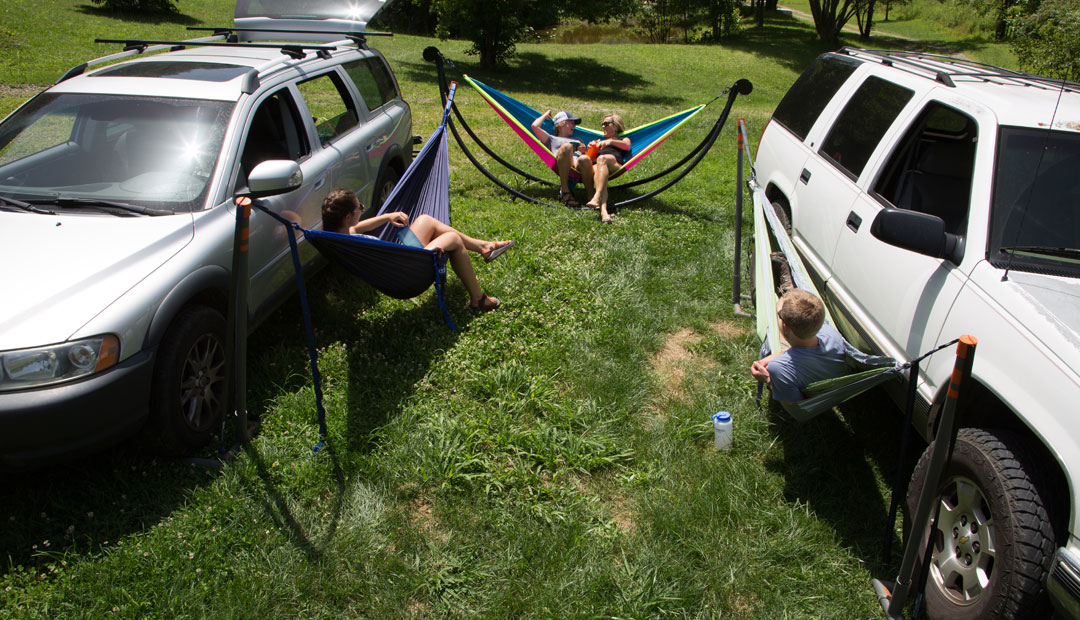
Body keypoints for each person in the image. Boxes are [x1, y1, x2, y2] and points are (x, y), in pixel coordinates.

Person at [321, 188, 514, 312]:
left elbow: (357, 228)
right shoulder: (358, 245)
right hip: (408, 273)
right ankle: (478, 299)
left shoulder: (342, 237)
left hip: (401, 261)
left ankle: (483, 247)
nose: (361, 210)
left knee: (425, 220)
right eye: (359, 208)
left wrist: (388, 217)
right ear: (348, 216)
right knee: (453, 239)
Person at [750, 289, 849, 410]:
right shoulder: (832, 334)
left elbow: (797, 407)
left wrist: (769, 379)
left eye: (779, 316)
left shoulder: (780, 368)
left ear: (786, 327)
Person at [531, 110, 592, 208]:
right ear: (561, 124)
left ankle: (591, 197)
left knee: (584, 158)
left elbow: (585, 158)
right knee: (567, 147)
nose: (574, 126)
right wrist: (545, 114)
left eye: (574, 123)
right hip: (562, 164)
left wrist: (583, 151)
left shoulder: (578, 140)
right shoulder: (551, 139)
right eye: (571, 122)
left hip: (577, 166)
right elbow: (535, 126)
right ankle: (565, 191)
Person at [585, 114, 631, 224]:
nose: (603, 126)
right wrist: (591, 148)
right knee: (600, 174)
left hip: (614, 163)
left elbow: (627, 146)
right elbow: (589, 157)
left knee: (602, 159)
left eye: (606, 124)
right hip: (599, 165)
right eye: (602, 124)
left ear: (615, 126)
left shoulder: (622, 139)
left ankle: (596, 196)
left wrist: (610, 141)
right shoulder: (600, 141)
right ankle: (604, 212)